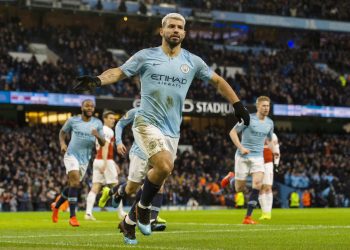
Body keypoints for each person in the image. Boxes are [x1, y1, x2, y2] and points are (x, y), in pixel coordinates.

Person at [72, 13, 250, 244]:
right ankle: (144, 210)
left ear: (184, 33)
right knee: (165, 165)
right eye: (171, 26)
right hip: (146, 123)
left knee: (148, 179)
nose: (175, 30)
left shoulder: (192, 61)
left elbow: (217, 81)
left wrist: (237, 105)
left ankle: (128, 221)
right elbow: (118, 71)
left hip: (172, 131)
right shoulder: (146, 56)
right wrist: (97, 80)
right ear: (162, 30)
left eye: (180, 27)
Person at [98, 107, 167, 231]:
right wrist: (118, 142)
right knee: (131, 188)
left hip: (156, 153)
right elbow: (120, 124)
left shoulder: (163, 112)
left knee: (159, 183)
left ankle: (152, 220)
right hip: (139, 153)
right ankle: (114, 192)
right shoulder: (137, 111)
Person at [51, 99, 105, 227]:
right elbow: (62, 132)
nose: (90, 108)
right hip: (71, 155)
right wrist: (63, 143)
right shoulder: (73, 120)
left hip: (85, 159)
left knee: (73, 185)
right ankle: (73, 217)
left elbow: (103, 143)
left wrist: (97, 135)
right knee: (74, 182)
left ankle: (56, 206)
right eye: (87, 106)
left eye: (92, 106)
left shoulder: (97, 123)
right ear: (82, 107)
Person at [228, 96, 274, 224]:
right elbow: (232, 132)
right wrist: (241, 147)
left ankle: (248, 217)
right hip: (242, 156)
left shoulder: (270, 123)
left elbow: (269, 140)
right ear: (258, 106)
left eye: (268, 106)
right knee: (239, 189)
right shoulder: (248, 118)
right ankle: (231, 178)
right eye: (264, 106)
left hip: (258, 157)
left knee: (258, 184)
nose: (266, 108)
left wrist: (274, 151)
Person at [85, 110, 118, 221]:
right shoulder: (108, 130)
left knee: (95, 187)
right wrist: (106, 162)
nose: (113, 120)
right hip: (105, 161)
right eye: (110, 118)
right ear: (104, 119)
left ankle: (88, 213)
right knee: (116, 186)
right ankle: (121, 212)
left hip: (97, 160)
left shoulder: (101, 130)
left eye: (114, 118)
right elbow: (105, 146)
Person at [258, 133, 280, 220]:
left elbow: (276, 150)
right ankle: (264, 213)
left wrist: (276, 164)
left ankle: (268, 212)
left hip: (268, 163)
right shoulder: (255, 133)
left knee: (268, 186)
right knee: (260, 187)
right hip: (257, 162)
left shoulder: (272, 135)